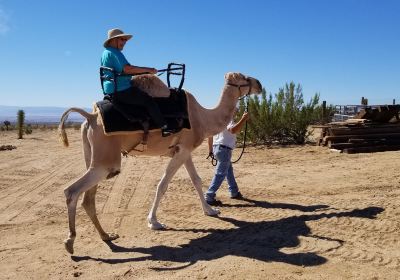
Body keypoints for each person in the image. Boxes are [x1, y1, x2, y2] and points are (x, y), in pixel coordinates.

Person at [101, 28, 173, 136]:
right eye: (122, 39)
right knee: (149, 101)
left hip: (110, 88)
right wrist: (148, 69)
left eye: (125, 40)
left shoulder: (106, 53)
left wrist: (143, 72)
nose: (124, 42)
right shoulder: (115, 52)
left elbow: (122, 71)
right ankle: (164, 127)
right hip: (121, 89)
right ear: (113, 40)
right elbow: (127, 69)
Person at [204, 111, 250, 205]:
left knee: (229, 171)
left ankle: (234, 192)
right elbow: (233, 130)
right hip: (224, 149)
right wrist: (243, 119)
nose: (236, 111)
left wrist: (210, 150)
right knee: (220, 174)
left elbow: (210, 136)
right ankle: (209, 196)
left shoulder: (218, 121)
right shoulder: (228, 119)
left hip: (218, 148)